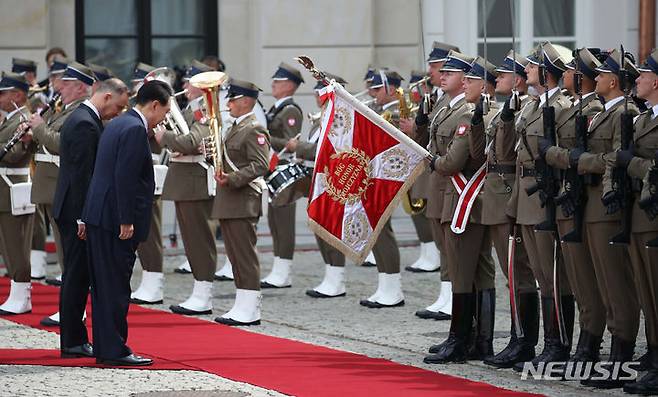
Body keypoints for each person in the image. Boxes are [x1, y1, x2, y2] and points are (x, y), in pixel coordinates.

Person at [82, 80, 171, 366]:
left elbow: (101, 173)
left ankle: (105, 346)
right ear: (154, 105)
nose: (163, 120)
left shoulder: (117, 124)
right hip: (113, 220)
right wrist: (126, 220)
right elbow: (125, 177)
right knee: (116, 286)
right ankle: (115, 350)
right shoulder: (133, 128)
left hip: (99, 214)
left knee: (104, 285)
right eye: (165, 113)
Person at [538, 47, 608, 370]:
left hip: (585, 201)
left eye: (570, 70)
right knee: (576, 278)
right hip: (568, 199)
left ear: (581, 76)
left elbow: (578, 155)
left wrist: (554, 155)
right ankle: (583, 339)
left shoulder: (593, 108)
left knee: (588, 278)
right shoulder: (577, 106)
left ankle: (590, 341)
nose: (564, 74)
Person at [576, 49, 641, 389]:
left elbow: (615, 158)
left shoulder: (624, 113)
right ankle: (613, 353)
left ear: (614, 81)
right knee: (602, 282)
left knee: (617, 285)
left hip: (608, 207)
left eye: (601, 75)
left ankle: (621, 358)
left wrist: (581, 160)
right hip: (590, 205)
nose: (595, 78)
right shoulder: (603, 112)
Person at [53, 78, 129, 358]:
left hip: (72, 208)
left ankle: (74, 338)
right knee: (76, 277)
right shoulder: (85, 123)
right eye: (118, 107)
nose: (118, 114)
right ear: (107, 96)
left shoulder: (82, 117)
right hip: (76, 211)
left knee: (76, 275)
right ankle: (73, 341)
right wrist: (84, 218)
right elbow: (82, 177)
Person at [481, 50, 539, 369]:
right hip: (498, 197)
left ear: (517, 80)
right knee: (510, 273)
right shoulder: (507, 108)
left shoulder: (525, 109)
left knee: (520, 272)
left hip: (510, 197)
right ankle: (518, 338)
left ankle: (525, 341)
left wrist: (507, 118)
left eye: (503, 75)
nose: (497, 79)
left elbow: (507, 154)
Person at [28, 62, 94, 327]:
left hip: (61, 186)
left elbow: (60, 144)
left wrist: (39, 128)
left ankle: (74, 309)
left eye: (65, 84)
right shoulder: (65, 109)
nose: (59, 88)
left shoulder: (77, 112)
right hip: (50, 185)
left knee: (69, 253)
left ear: (79, 87)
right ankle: (69, 306)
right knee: (65, 252)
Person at [155, 60, 220, 313]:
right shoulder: (191, 107)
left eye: (189, 81)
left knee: (199, 239)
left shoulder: (204, 109)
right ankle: (199, 290)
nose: (184, 85)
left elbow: (193, 141)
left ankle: (204, 294)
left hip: (195, 181)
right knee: (191, 240)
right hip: (185, 180)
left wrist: (166, 137)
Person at [285, 74, 349, 298]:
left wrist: (298, 147)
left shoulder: (339, 119)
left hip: (331, 181)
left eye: (319, 92)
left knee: (329, 229)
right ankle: (330, 276)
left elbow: (328, 151)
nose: (315, 96)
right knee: (319, 228)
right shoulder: (323, 117)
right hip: (317, 179)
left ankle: (337, 279)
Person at [212, 79, 270, 326]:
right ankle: (242, 303)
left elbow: (260, 165)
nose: (228, 103)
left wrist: (233, 178)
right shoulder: (235, 127)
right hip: (230, 199)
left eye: (232, 99)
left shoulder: (254, 128)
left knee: (244, 255)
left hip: (243, 198)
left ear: (246, 101)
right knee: (235, 256)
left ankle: (250, 308)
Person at [619, 48, 658, 395]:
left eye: (643, 74)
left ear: (656, 81)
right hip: (639, 213)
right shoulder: (644, 119)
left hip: (654, 213)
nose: (638, 80)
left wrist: (630, 164)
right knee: (647, 289)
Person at [358, 70, 405, 308]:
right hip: (373, 175)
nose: (373, 93)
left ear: (392, 88)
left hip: (387, 176)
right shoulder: (377, 109)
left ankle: (393, 288)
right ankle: (385, 284)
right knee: (376, 230)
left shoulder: (398, 111)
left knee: (383, 231)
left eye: (378, 89)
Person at [260, 62, 304, 289]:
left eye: (277, 82)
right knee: (275, 221)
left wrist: (262, 136)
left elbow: (290, 143)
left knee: (284, 222)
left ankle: (284, 271)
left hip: (285, 169)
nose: (273, 85)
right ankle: (278, 269)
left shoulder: (290, 111)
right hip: (274, 169)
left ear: (289, 86)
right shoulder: (276, 108)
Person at [0, 73, 35, 315]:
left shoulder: (22, 120)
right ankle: (16, 293)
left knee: (17, 244)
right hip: (5, 186)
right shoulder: (9, 120)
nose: (0, 98)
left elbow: (14, 155)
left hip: (13, 186)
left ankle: (22, 296)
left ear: (18, 95)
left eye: (4, 93)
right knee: (7, 243)